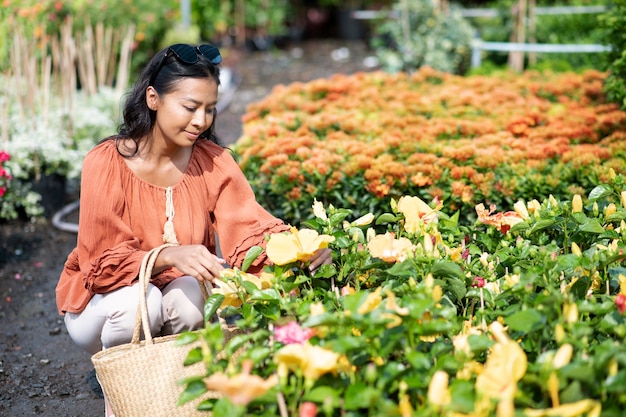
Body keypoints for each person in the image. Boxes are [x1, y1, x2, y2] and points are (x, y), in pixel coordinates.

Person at [55, 43, 331, 417]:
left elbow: (249, 228)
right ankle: (122, 398)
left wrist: (300, 250)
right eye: (189, 107)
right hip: (102, 304)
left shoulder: (212, 162)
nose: (201, 121)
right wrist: (167, 255)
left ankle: (172, 393)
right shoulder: (107, 162)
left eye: (210, 109)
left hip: (167, 294)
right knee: (144, 302)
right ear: (153, 98)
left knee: (190, 291)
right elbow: (101, 265)